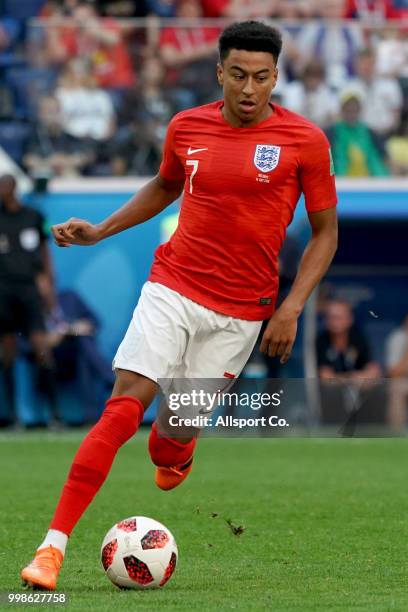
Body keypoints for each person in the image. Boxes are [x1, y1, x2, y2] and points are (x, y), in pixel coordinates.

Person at [21, 20, 338, 590]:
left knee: (171, 434)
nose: (248, 89)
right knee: (123, 405)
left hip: (242, 312)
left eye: (261, 78)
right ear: (219, 72)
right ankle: (51, 549)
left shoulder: (305, 141)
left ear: (275, 77)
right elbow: (165, 187)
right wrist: (101, 230)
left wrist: (289, 308)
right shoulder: (186, 126)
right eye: (237, 75)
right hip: (173, 285)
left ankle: (175, 448)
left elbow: (325, 232)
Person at [0, 175, 56, 427]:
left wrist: (48, 283)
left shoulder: (33, 216)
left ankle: (54, 414)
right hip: (3, 290)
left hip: (29, 288)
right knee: (7, 352)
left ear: (14, 189)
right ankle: (12, 416)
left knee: (41, 347)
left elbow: (45, 252)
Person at [326, 91, 389, 177]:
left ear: (359, 110)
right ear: (342, 110)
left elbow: (384, 157)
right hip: (340, 182)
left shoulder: (370, 133)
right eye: (348, 110)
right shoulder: (332, 132)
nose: (351, 114)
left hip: (369, 182)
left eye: (355, 110)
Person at [385, 314, 408, 431]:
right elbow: (393, 373)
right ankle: (396, 433)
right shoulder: (397, 338)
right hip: (403, 381)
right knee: (396, 388)